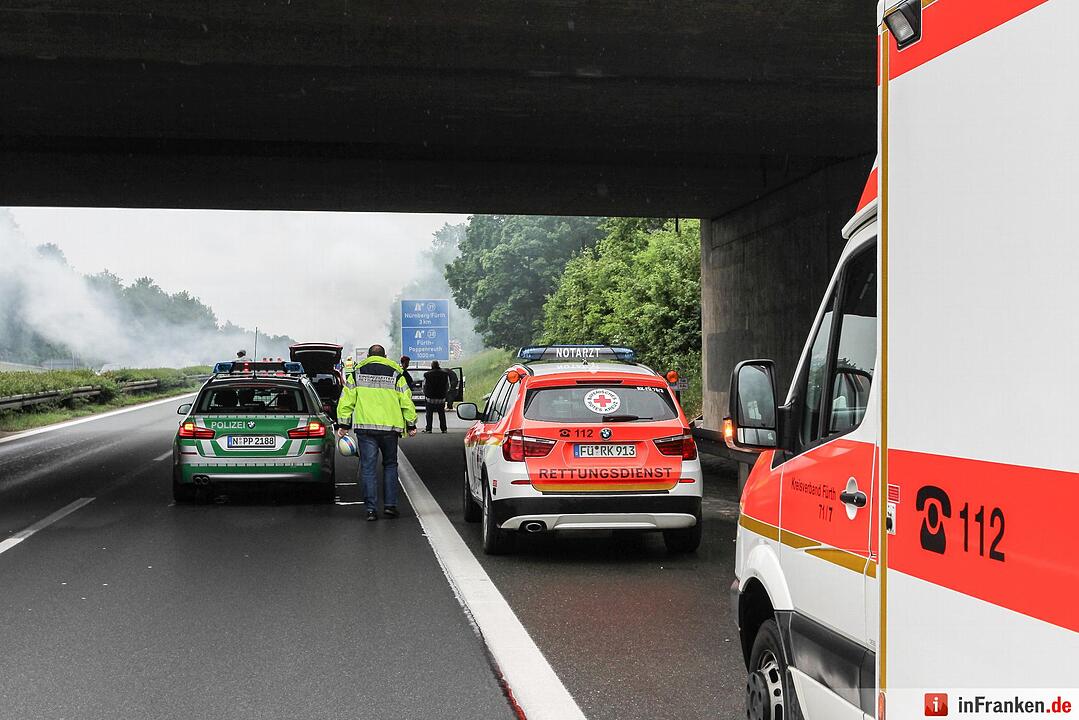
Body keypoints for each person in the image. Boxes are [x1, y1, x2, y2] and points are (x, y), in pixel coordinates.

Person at [336, 345, 417, 521]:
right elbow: (406, 400)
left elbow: (346, 400)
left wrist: (343, 424)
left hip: (366, 429)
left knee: (368, 468)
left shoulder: (356, 373)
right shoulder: (396, 374)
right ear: (385, 356)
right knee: (390, 465)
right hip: (390, 429)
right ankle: (390, 506)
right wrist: (411, 425)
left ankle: (371, 510)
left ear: (368, 356)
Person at [422, 361, 451, 433]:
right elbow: (448, 385)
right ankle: (444, 429)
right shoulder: (445, 374)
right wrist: (445, 394)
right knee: (441, 414)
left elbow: (424, 385)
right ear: (438, 365)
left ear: (432, 366)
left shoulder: (427, 374)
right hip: (441, 398)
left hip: (430, 398)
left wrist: (425, 393)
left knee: (429, 414)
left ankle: (429, 429)